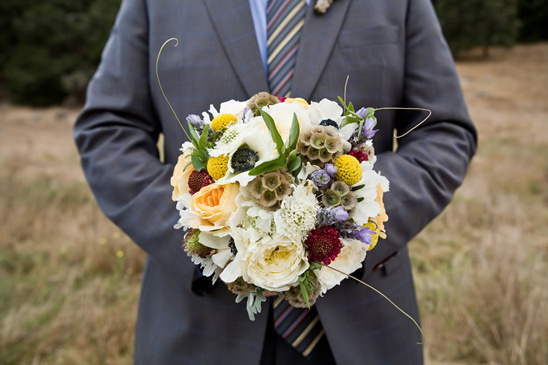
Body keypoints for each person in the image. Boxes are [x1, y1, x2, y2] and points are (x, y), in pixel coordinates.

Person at [74, 0, 477, 364]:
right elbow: (109, 130)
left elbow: (444, 131)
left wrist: (352, 222)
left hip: (361, 322)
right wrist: (214, 236)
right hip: (199, 325)